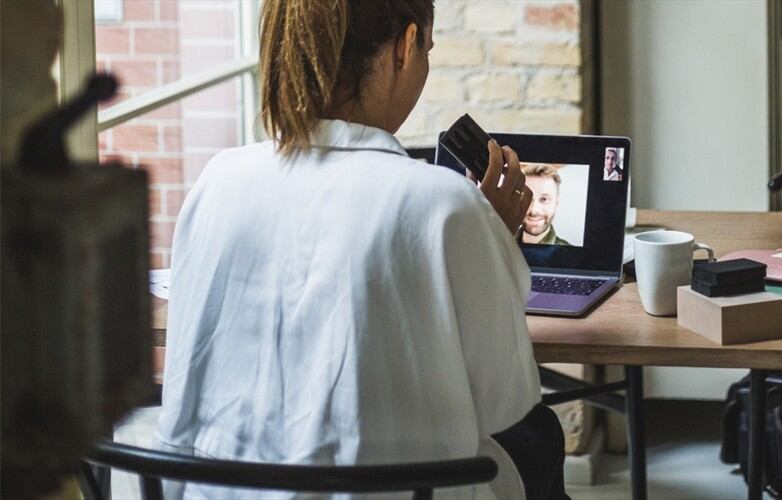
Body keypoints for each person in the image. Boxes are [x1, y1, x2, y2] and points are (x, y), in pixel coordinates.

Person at [154, 1, 570, 499]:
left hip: (224, 492)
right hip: (398, 493)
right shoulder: (444, 204)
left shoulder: (218, 180)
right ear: (406, 47)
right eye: (427, 50)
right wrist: (494, 234)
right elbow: (501, 401)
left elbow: (187, 387)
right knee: (538, 432)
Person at [521, 164, 571, 246]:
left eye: (544, 199)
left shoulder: (569, 252)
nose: (534, 210)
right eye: (526, 198)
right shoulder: (501, 243)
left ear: (556, 203)